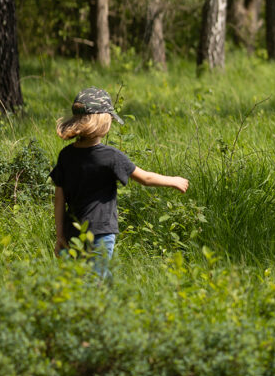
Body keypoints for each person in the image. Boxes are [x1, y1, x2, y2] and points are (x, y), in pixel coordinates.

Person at [50, 87, 189, 280]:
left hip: (71, 231)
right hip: (100, 232)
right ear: (103, 121)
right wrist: (173, 180)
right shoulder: (111, 156)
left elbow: (59, 200)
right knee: (96, 284)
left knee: (75, 284)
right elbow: (145, 178)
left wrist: (59, 236)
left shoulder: (65, 156)